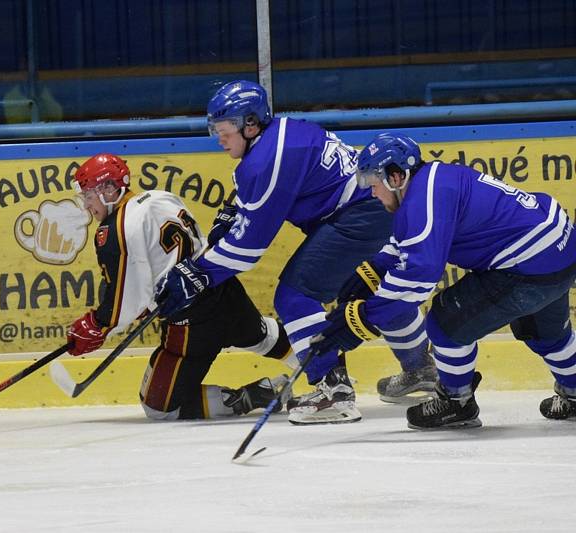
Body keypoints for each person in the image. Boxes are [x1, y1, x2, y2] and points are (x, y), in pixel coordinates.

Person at [154, 80, 436, 425]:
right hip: (369, 209)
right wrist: (236, 212)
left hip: (358, 215)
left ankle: (333, 392)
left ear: (250, 125)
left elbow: (246, 249)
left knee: (295, 295)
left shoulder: (266, 159)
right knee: (372, 288)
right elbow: (261, 195)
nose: (220, 138)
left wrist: (198, 273)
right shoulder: (283, 133)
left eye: (225, 130)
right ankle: (421, 367)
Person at [308, 132, 576, 429]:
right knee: (548, 334)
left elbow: (417, 281)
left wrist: (358, 321)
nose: (372, 193)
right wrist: (369, 274)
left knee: (445, 323)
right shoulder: (432, 180)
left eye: (373, 184)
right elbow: (408, 242)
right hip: (560, 247)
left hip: (529, 264)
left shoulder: (422, 200)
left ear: (396, 177)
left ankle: (456, 402)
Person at [65, 153, 293, 420]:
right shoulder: (161, 197)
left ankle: (254, 395)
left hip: (190, 323)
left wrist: (97, 325)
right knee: (262, 335)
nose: (87, 206)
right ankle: (327, 369)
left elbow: (126, 298)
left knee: (158, 408)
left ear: (107, 189)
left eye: (89, 197)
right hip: (223, 289)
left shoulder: (113, 230)